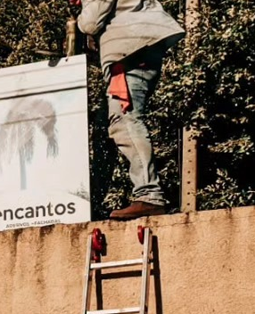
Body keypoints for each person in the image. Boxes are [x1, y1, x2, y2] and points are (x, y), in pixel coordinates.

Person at [76, 0, 185, 220]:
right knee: (103, 128)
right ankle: (94, 204)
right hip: (136, 49)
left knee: (124, 120)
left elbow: (90, 22)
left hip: (130, 53)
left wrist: (81, 16)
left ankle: (149, 194)